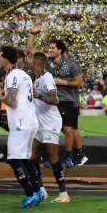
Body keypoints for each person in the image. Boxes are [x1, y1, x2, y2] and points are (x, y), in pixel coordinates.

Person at [27, 23, 84, 168]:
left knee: (68, 129)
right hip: (49, 101)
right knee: (49, 129)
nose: (50, 50)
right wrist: (32, 34)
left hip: (66, 100)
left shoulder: (71, 64)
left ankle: (69, 156)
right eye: (49, 48)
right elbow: (30, 50)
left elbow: (79, 82)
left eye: (53, 48)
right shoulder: (47, 63)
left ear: (59, 50)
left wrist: (64, 82)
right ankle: (50, 156)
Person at [0, 46, 44, 208]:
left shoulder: (12, 76)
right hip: (30, 121)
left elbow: (12, 100)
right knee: (24, 158)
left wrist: (0, 96)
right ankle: (37, 191)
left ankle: (29, 194)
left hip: (21, 123)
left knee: (14, 159)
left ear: (6, 60)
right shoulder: (24, 75)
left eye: (0, 57)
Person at [29, 52, 70, 203]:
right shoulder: (38, 78)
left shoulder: (46, 78)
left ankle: (63, 193)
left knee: (53, 158)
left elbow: (55, 99)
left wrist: (39, 96)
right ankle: (41, 189)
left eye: (31, 60)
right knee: (30, 156)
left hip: (50, 123)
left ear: (34, 62)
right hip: (39, 124)